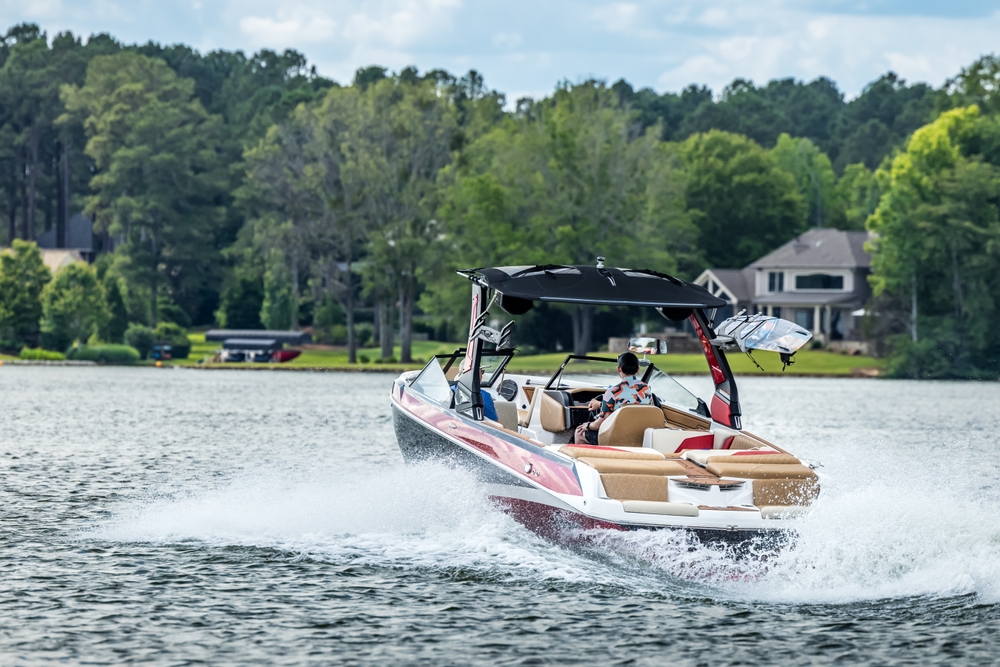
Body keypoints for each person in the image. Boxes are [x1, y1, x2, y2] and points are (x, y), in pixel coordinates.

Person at [574, 352, 652, 445]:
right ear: (638, 369)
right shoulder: (647, 389)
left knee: (579, 432)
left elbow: (598, 425)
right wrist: (600, 404)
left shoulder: (612, 392)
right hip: (640, 437)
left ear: (619, 369)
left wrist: (587, 425)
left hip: (617, 439)